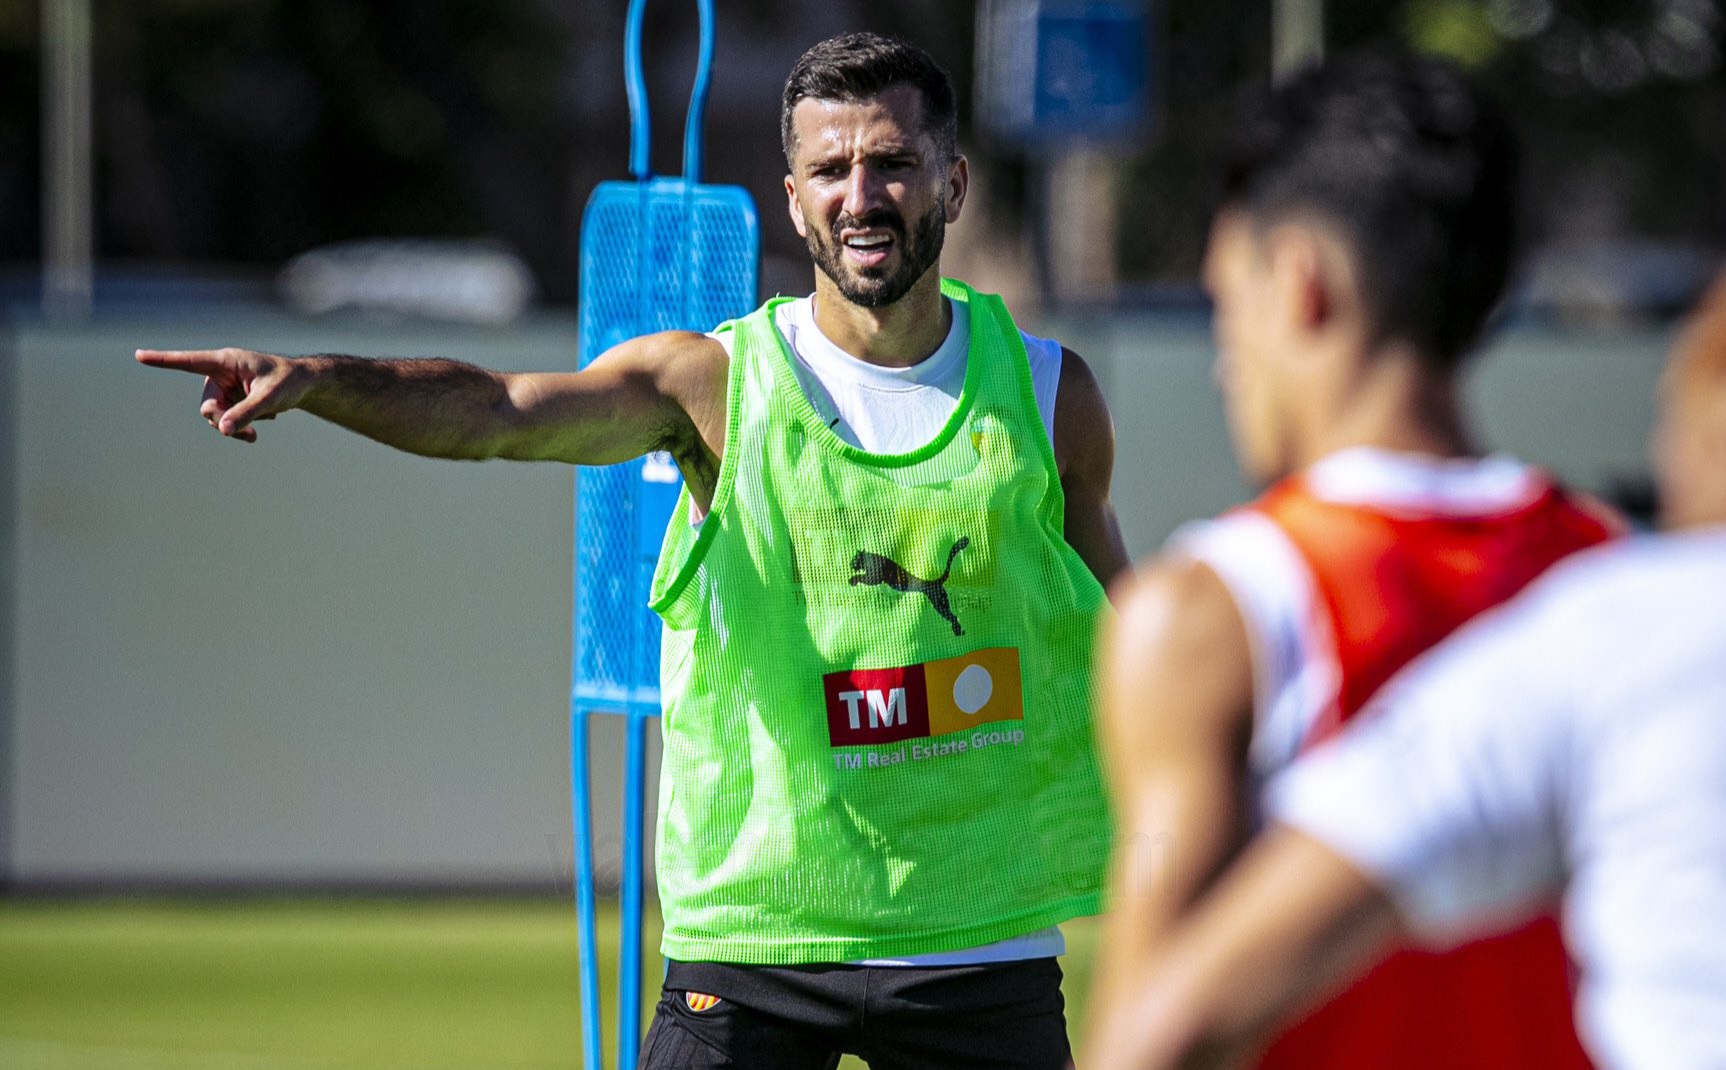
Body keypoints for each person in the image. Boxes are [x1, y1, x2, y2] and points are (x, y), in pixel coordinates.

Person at [139, 33, 1128, 1070]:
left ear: (952, 181)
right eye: (830, 170)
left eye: (891, 162)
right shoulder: (710, 384)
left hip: (976, 941)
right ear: (793, 201)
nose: (861, 195)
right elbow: (503, 411)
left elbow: (1135, 637)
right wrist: (321, 377)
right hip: (751, 940)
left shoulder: (1051, 399)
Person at [1083, 51, 1617, 1070]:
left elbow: (1148, 1033)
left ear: (1297, 281)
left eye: (1222, 299)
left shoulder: (1208, 615)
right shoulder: (1610, 567)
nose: (1222, 352)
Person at [1087, 271, 1726, 1070]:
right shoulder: (1595, 555)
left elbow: (1169, 1022)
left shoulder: (1623, 618)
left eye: (1232, 304)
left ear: (1300, 280)